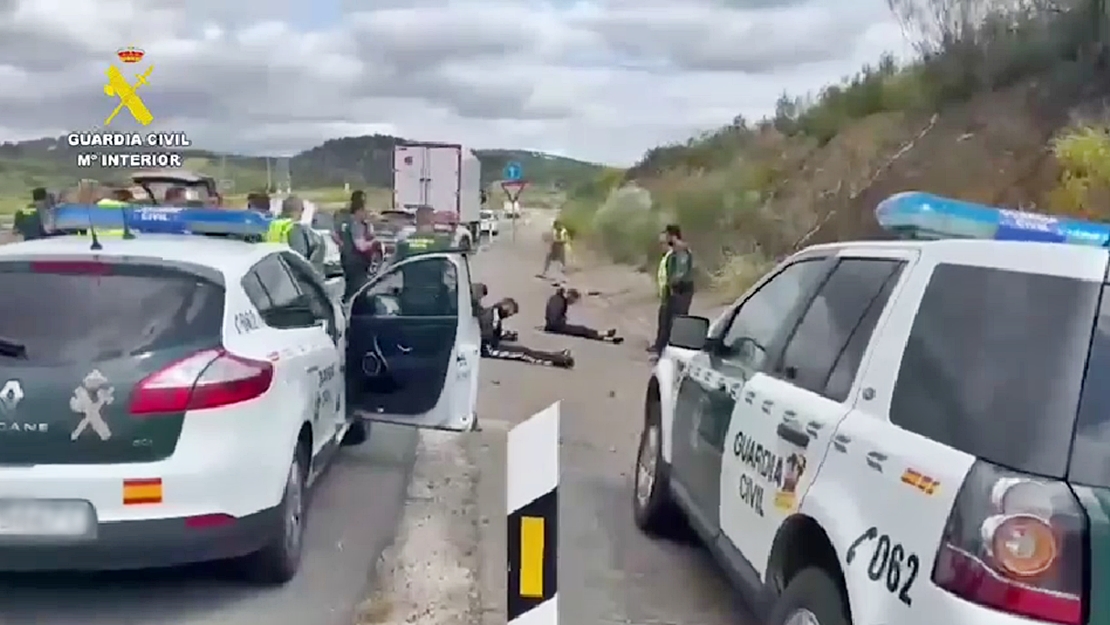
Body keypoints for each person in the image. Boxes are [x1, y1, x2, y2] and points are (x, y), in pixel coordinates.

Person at [479, 296, 575, 368]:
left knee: (525, 350)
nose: (509, 315)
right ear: (505, 308)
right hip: (490, 349)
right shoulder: (493, 317)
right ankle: (558, 361)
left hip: (491, 345)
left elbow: (492, 332)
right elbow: (488, 335)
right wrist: (502, 336)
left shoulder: (492, 312)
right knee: (524, 353)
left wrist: (505, 335)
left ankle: (556, 356)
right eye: (510, 313)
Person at [650, 224, 695, 355]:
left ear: (673, 236)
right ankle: (664, 347)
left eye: (667, 235)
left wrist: (672, 285)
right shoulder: (675, 251)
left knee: (677, 319)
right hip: (674, 290)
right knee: (669, 319)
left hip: (681, 290)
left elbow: (680, 273)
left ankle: (677, 349)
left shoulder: (681, 251)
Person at [266, 196, 326, 274]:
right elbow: (299, 259)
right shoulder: (295, 229)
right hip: (293, 277)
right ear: (300, 210)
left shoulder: (272, 226)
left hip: (274, 273)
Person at [544, 287, 623, 344]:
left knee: (581, 329)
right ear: (570, 296)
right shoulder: (560, 301)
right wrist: (562, 320)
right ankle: (603, 335)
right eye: (573, 301)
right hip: (556, 326)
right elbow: (554, 317)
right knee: (581, 330)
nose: (572, 303)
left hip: (553, 325)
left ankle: (603, 334)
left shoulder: (556, 298)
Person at [338, 195, 378, 301]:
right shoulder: (357, 225)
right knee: (358, 292)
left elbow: (335, 236)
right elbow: (361, 246)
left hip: (347, 260)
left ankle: (346, 307)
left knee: (350, 289)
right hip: (357, 263)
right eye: (365, 211)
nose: (367, 213)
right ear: (359, 211)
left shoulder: (346, 221)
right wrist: (375, 242)